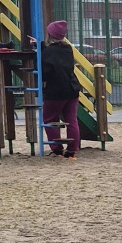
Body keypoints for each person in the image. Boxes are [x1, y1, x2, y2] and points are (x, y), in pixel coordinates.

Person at [41, 20, 80, 159]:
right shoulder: (68, 49)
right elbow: (56, 57)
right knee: (71, 120)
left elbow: (46, 71)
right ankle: (72, 149)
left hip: (55, 91)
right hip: (72, 88)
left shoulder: (47, 52)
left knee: (50, 119)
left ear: (50, 35)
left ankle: (57, 148)